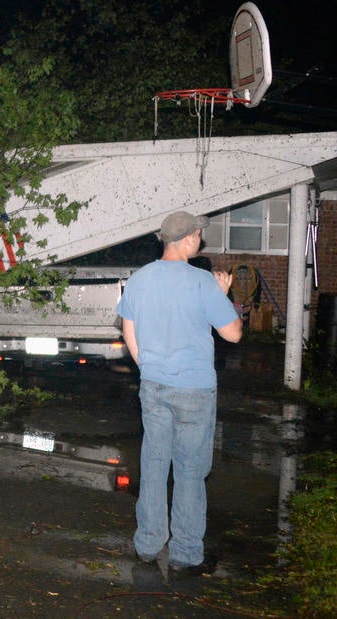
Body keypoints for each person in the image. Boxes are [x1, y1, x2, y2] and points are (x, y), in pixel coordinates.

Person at [115, 211, 242, 577]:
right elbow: (233, 333)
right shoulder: (203, 282)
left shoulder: (140, 279)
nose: (200, 240)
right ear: (188, 239)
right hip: (194, 391)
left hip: (154, 385)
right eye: (198, 234)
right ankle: (185, 554)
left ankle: (147, 545)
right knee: (189, 470)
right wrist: (222, 295)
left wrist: (147, 366)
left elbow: (128, 330)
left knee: (154, 464)